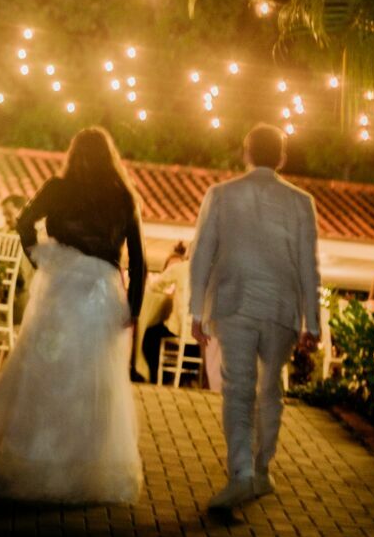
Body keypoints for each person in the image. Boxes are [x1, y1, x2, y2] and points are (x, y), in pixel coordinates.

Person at [0, 127, 146, 503]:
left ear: (73, 154)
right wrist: (132, 308)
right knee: (93, 380)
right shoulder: (122, 197)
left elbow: (23, 222)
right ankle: (87, 467)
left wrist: (39, 256)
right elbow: (140, 260)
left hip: (61, 288)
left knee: (45, 369)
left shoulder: (57, 188)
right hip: (102, 293)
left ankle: (35, 458)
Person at [189, 123, 321, 512]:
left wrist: (197, 311)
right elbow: (308, 266)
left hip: (234, 302)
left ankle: (242, 473)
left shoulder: (221, 194)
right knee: (269, 390)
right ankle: (261, 469)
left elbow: (201, 254)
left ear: (245, 153)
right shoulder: (301, 201)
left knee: (238, 389)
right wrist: (312, 324)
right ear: (281, 156)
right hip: (282, 308)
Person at [134, 243, 189, 383]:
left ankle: (154, 377)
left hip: (180, 328)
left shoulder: (181, 269)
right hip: (202, 333)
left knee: (150, 336)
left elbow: (155, 285)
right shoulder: (211, 273)